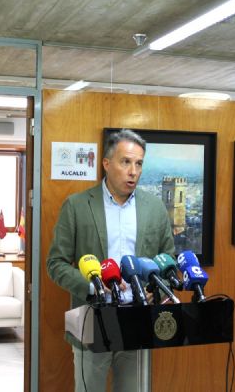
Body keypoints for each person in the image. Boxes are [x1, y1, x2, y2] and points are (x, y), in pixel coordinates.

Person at [47, 129, 175, 392]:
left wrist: (155, 288)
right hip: (91, 318)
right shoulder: (77, 205)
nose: (133, 171)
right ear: (106, 164)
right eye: (126, 162)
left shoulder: (154, 208)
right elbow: (56, 263)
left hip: (138, 318)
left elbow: (167, 258)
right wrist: (93, 287)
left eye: (139, 163)